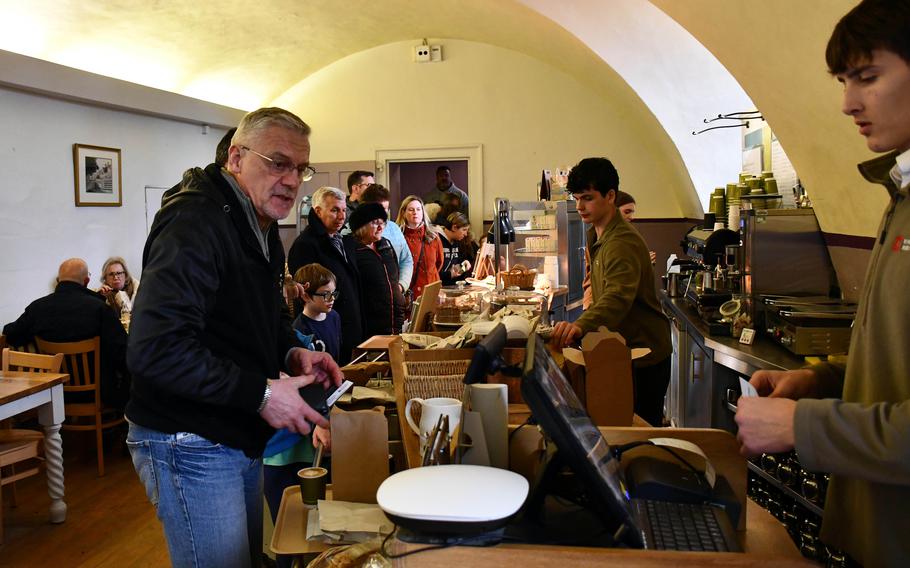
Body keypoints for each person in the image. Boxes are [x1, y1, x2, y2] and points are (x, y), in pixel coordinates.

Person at [126, 107, 343, 568]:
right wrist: (262, 392)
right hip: (187, 438)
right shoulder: (195, 222)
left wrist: (291, 349)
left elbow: (255, 316)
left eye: (300, 169)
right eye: (278, 162)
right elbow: (155, 348)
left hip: (232, 428)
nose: (291, 179)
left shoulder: (258, 224)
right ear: (236, 157)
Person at [735, 2, 910, 565]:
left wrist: (802, 424)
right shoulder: (900, 198)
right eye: (843, 81)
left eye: (867, 77)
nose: (847, 103)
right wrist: (821, 382)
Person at [550, 158, 671, 427]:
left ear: (611, 196)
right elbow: (597, 288)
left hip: (644, 356)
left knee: (640, 440)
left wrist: (579, 326)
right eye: (577, 198)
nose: (580, 206)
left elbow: (617, 298)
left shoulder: (622, 242)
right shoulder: (596, 233)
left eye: (588, 198)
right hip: (619, 351)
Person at [263, 263, 336, 568]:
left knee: (314, 526)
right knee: (286, 529)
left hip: (306, 445)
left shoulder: (296, 340)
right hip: (276, 450)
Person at [2, 258, 131, 409]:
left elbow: (11, 333)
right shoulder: (99, 309)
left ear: (58, 281)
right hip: (100, 393)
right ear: (87, 281)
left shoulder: (38, 308)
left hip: (55, 391)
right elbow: (122, 352)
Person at [287, 186, 363, 364]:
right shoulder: (305, 245)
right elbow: (306, 295)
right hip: (323, 330)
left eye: (344, 210)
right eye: (335, 210)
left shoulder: (343, 239)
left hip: (347, 324)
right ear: (318, 211)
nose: (342, 216)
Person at [346, 202, 404, 335]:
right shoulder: (352, 250)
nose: (380, 227)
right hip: (370, 326)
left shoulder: (386, 245)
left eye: (382, 223)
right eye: (374, 223)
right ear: (361, 226)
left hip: (396, 321)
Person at [360, 183, 414, 293]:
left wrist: (401, 286)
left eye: (385, 209)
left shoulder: (394, 228)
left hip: (395, 294)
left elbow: (406, 260)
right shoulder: (352, 232)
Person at [397, 195, 444, 299]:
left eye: (418, 209)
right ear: (403, 213)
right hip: (409, 293)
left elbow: (439, 263)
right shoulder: (398, 237)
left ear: (423, 212)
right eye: (411, 209)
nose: (415, 212)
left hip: (430, 291)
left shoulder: (433, 236)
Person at [614, 191, 657, 264]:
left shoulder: (626, 235)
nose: (631, 217)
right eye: (627, 212)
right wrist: (643, 262)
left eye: (632, 213)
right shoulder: (610, 237)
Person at [438, 212, 473, 286]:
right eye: (464, 230)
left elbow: (456, 271)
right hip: (439, 287)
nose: (466, 234)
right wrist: (449, 274)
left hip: (452, 286)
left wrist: (463, 267)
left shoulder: (458, 241)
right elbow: (433, 272)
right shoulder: (437, 241)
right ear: (454, 228)